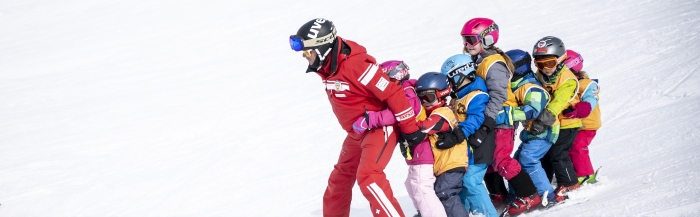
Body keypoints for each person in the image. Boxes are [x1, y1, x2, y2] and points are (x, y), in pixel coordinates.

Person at [289, 18, 426, 217]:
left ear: (322, 49)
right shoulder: (329, 66)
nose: (303, 56)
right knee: (340, 179)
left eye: (307, 51)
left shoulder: (357, 65)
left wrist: (410, 129)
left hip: (378, 128)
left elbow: (393, 93)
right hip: (357, 131)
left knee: (369, 176)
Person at [459, 17, 540, 212]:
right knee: (486, 160)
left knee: (500, 158)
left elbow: (498, 95)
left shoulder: (494, 63)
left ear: (487, 38)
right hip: (488, 119)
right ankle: (498, 195)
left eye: (471, 40)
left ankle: (529, 194)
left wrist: (487, 120)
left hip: (501, 119)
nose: (466, 45)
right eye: (464, 39)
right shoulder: (479, 61)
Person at [352, 61, 446, 217]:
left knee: (422, 187)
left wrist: (370, 119)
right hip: (416, 151)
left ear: (394, 77)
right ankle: (423, 212)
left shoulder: (406, 91)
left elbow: (400, 111)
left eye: (383, 80)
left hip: (422, 150)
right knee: (411, 185)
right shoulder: (406, 90)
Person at [438, 54, 497, 216]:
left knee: (471, 181)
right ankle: (468, 211)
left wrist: (458, 134)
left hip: (480, 144)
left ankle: (488, 214)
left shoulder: (477, 95)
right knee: (462, 181)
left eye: (451, 80)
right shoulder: (458, 97)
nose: (449, 85)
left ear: (462, 74)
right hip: (467, 148)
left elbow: (476, 119)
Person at [502, 49, 558, 212]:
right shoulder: (517, 86)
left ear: (517, 67)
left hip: (545, 130)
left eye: (507, 67)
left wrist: (508, 114)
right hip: (532, 132)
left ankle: (548, 195)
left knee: (528, 158)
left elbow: (533, 109)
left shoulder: (530, 87)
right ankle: (519, 195)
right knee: (517, 162)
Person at [530, 36, 582, 203]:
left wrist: (541, 121)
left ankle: (570, 184)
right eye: (540, 64)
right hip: (552, 124)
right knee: (545, 154)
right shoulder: (541, 75)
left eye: (550, 63)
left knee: (558, 154)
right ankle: (543, 184)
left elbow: (557, 104)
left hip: (567, 122)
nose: (545, 68)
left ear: (561, 59)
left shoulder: (567, 79)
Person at [415, 72, 469, 217]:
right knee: (436, 195)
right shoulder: (434, 112)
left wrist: (406, 120)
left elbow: (425, 127)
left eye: (429, 97)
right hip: (444, 165)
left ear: (442, 94)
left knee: (446, 193)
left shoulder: (443, 113)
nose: (425, 102)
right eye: (420, 98)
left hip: (452, 164)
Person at [562, 50, 602, 185]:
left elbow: (592, 98)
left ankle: (586, 174)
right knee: (565, 148)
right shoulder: (564, 84)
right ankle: (573, 171)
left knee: (578, 146)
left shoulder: (586, 83)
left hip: (587, 124)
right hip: (572, 124)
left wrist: (581, 108)